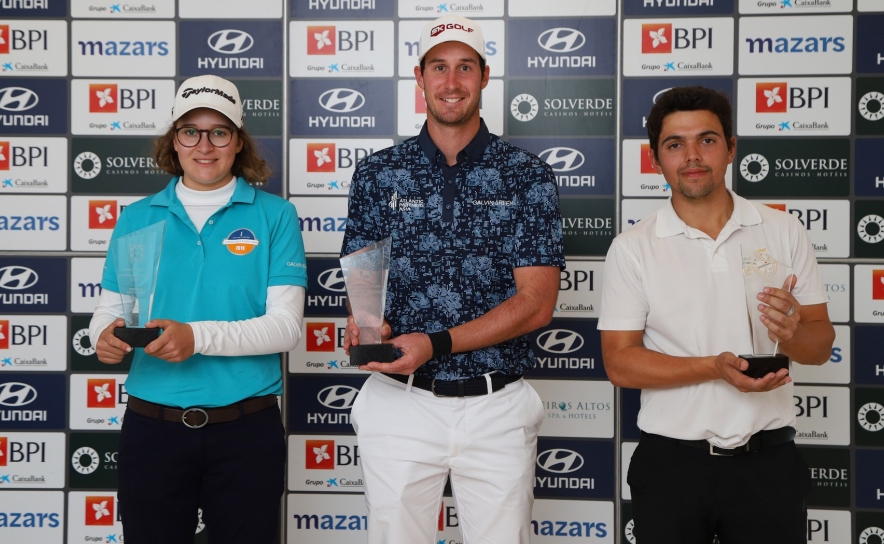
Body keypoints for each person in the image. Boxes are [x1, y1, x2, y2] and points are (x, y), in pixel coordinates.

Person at [340, 14, 565, 544]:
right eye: (438, 67)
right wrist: (366, 324)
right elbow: (365, 287)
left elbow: (536, 305)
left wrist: (435, 343)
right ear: (419, 78)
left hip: (496, 406)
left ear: (485, 77)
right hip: (399, 400)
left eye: (465, 67)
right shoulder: (377, 173)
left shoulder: (527, 175)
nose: (451, 82)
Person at [598, 86, 835, 544]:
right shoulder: (633, 247)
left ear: (731, 149)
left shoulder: (784, 230)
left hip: (769, 462)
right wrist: (713, 368)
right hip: (671, 465)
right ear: (655, 160)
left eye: (706, 140)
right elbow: (619, 363)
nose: (691, 156)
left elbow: (820, 346)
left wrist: (792, 334)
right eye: (674, 144)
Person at [89, 75, 307, 544]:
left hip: (246, 429)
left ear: (239, 141)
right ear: (174, 139)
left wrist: (196, 337)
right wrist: (103, 336)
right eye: (190, 131)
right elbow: (112, 311)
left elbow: (286, 328)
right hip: (153, 427)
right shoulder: (137, 217)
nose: (204, 145)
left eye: (219, 131)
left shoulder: (274, 215)